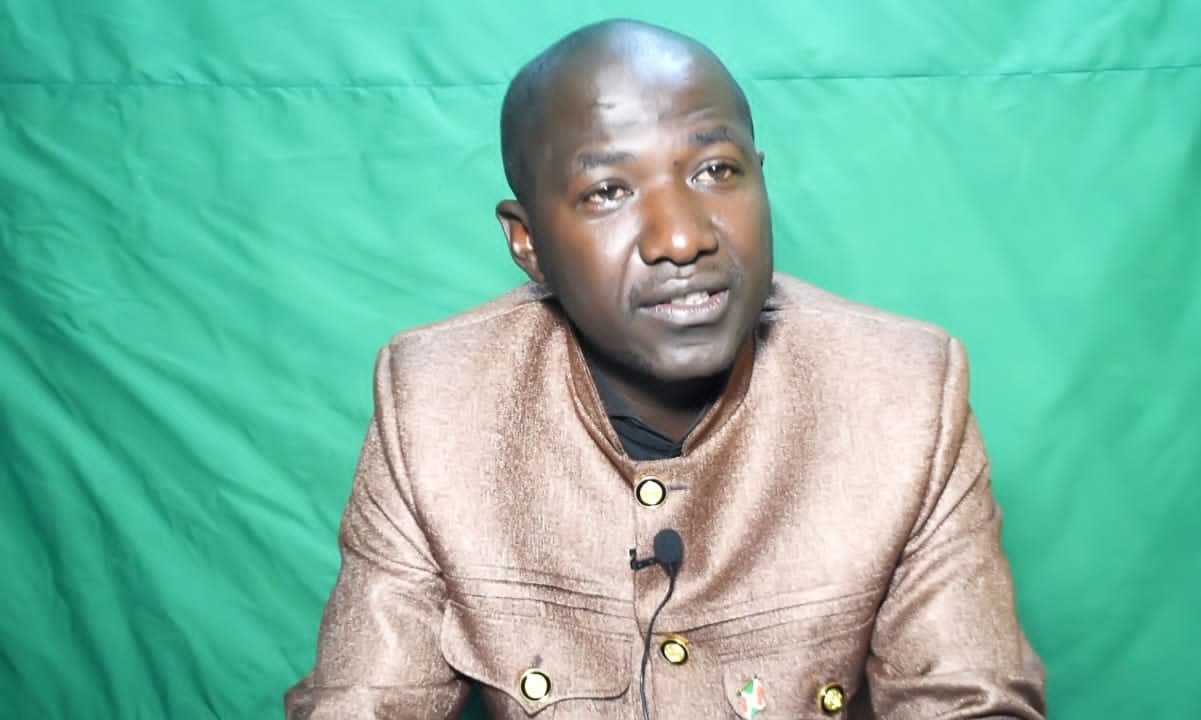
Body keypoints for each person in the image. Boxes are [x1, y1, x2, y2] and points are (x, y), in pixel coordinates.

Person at [286, 18, 1046, 720]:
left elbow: (969, 704)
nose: (681, 239)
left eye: (715, 170)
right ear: (528, 244)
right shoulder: (434, 404)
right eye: (608, 191)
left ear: (761, 180)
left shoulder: (904, 395)